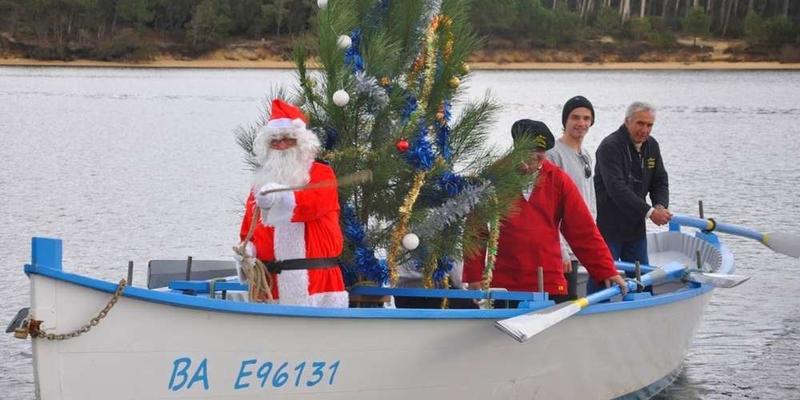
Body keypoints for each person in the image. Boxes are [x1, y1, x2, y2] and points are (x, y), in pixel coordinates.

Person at [463, 119, 627, 304]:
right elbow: (475, 231)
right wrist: (474, 276)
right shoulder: (494, 177)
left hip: (549, 280)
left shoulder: (559, 180)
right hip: (504, 283)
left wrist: (606, 270)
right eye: (528, 150)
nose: (534, 156)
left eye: (540, 152)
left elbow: (583, 230)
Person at [236, 99, 348, 308]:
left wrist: (278, 199)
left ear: (301, 142)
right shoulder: (259, 184)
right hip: (269, 288)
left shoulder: (321, 174)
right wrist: (247, 252)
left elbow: (311, 206)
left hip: (316, 285)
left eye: (288, 139)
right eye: (275, 141)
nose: (281, 145)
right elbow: (247, 231)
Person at [594, 101, 670, 271]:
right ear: (627, 121)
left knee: (642, 279)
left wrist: (660, 205)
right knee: (603, 277)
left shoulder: (652, 145)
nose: (645, 130)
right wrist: (650, 212)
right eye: (640, 123)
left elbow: (660, 180)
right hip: (609, 227)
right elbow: (616, 188)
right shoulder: (610, 146)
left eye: (649, 125)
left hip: (635, 228)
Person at [546, 95, 597, 299]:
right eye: (575, 117)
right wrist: (560, 248)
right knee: (562, 302)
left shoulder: (586, 155)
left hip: (580, 244)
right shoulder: (553, 154)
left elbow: (589, 200)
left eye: (586, 118)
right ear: (565, 121)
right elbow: (549, 207)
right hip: (562, 248)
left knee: (574, 300)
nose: (581, 123)